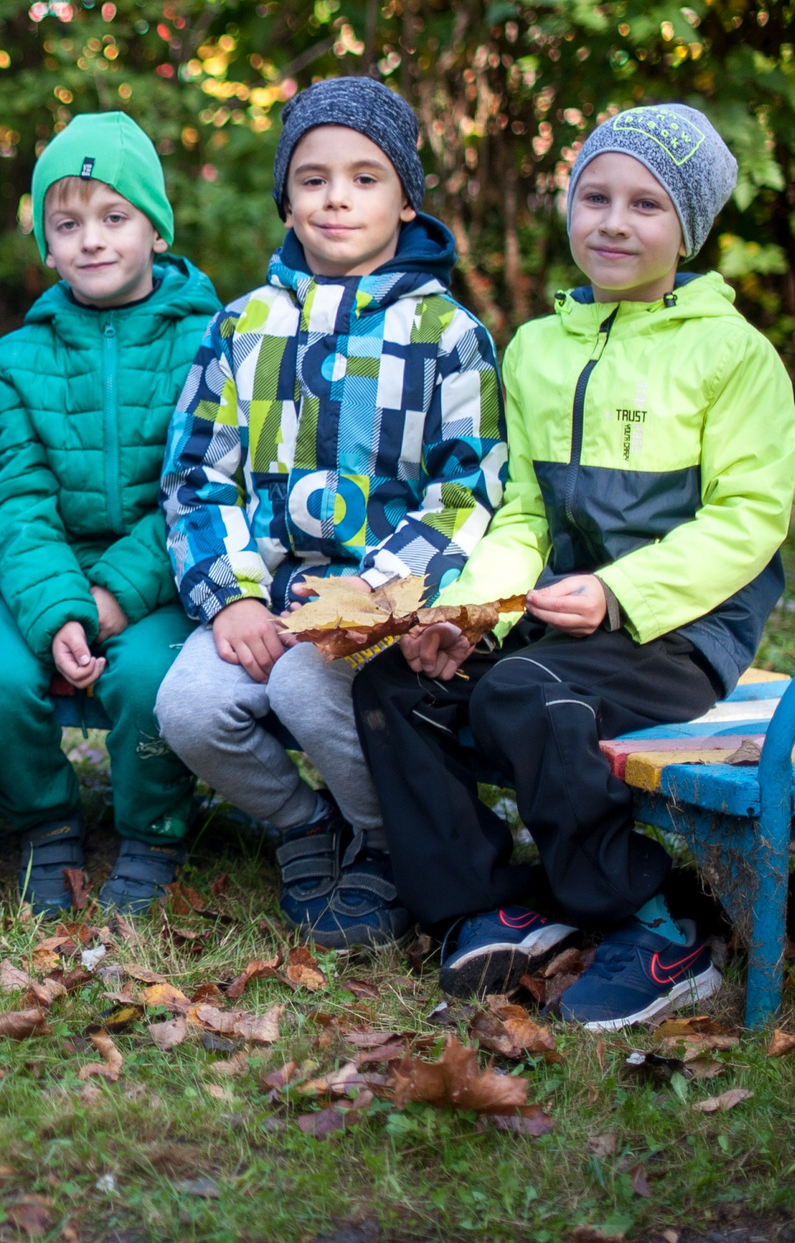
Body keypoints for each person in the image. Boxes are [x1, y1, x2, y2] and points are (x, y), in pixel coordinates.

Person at [360, 102, 795, 1028]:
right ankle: (495, 900)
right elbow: (523, 511)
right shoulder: (538, 349)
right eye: (594, 194)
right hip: (555, 616)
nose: (611, 220)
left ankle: (652, 924)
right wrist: (467, 613)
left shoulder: (733, 355)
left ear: (689, 226)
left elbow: (749, 518)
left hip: (681, 631)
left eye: (645, 203)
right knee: (398, 685)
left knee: (528, 694)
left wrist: (619, 592)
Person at [153, 77, 505, 947]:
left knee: (311, 686)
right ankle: (306, 826)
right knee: (190, 708)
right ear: (286, 196)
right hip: (267, 598)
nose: (336, 197)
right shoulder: (240, 326)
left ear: (407, 199)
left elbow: (468, 489)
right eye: (312, 178)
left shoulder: (448, 333)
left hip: (378, 606)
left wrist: (372, 597)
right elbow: (198, 477)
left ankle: (385, 843)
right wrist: (230, 597)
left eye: (364, 177)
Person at [0, 115, 220, 914]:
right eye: (66, 224)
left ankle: (153, 828)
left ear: (155, 227)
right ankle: (44, 822)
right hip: (47, 566)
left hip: (166, 565)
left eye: (115, 217)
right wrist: (59, 609)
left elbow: (196, 483)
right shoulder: (15, 357)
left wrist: (112, 598)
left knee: (148, 676)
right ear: (45, 243)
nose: (92, 241)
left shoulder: (211, 341)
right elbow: (18, 497)